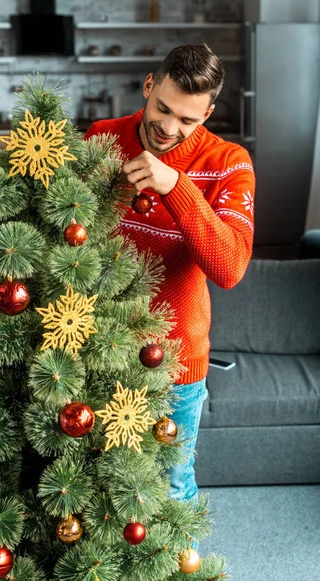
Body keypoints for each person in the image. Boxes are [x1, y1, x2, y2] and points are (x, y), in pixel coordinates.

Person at [85, 43, 255, 507]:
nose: (169, 128)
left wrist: (175, 188)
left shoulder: (228, 163)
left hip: (176, 363)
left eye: (188, 120)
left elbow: (230, 267)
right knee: (92, 486)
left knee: (171, 489)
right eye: (163, 109)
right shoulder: (102, 136)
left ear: (208, 114)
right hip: (96, 346)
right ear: (148, 86)